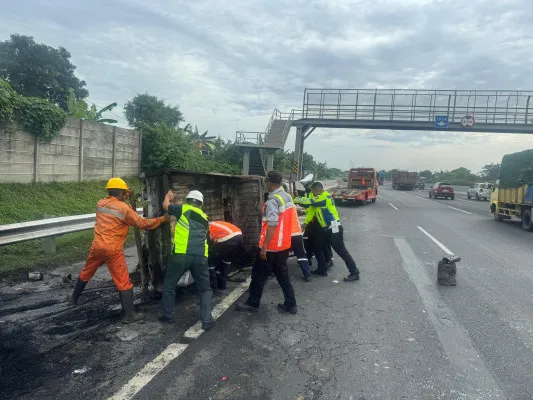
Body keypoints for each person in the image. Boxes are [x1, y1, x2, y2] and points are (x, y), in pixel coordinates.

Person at [67, 177, 168, 323]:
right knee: (123, 281)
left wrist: (125, 195)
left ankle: (73, 298)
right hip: (112, 250)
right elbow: (142, 223)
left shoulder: (100, 203)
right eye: (125, 194)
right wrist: (162, 220)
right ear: (122, 193)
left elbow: (117, 207)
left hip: (97, 247)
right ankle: (129, 315)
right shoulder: (124, 209)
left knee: (86, 272)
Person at [236, 170, 297, 314]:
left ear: (269, 183)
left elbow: (273, 224)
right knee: (282, 275)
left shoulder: (273, 200)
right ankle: (291, 304)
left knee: (258, 275)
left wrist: (264, 247)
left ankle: (253, 303)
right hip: (283, 245)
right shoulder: (287, 197)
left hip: (271, 246)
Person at [159, 190, 215, 330]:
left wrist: (167, 197)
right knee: (205, 289)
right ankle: (207, 320)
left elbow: (165, 206)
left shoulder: (183, 209)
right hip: (201, 257)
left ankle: (167, 315)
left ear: (188, 200)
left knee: (170, 284)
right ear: (200, 204)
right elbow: (208, 240)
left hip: (181, 255)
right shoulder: (205, 217)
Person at [295, 182, 360, 282]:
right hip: (326, 229)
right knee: (317, 246)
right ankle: (322, 269)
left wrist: (293, 198)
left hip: (334, 229)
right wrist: (305, 219)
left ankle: (354, 272)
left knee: (341, 250)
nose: (312, 193)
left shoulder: (324, 197)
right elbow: (312, 209)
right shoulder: (319, 199)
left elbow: (309, 202)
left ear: (317, 190)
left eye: (312, 191)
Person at [208, 220, 248, 290]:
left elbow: (207, 243)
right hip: (238, 236)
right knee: (225, 260)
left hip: (227, 237)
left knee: (210, 262)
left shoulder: (204, 227)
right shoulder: (214, 223)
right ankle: (222, 285)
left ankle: (213, 288)